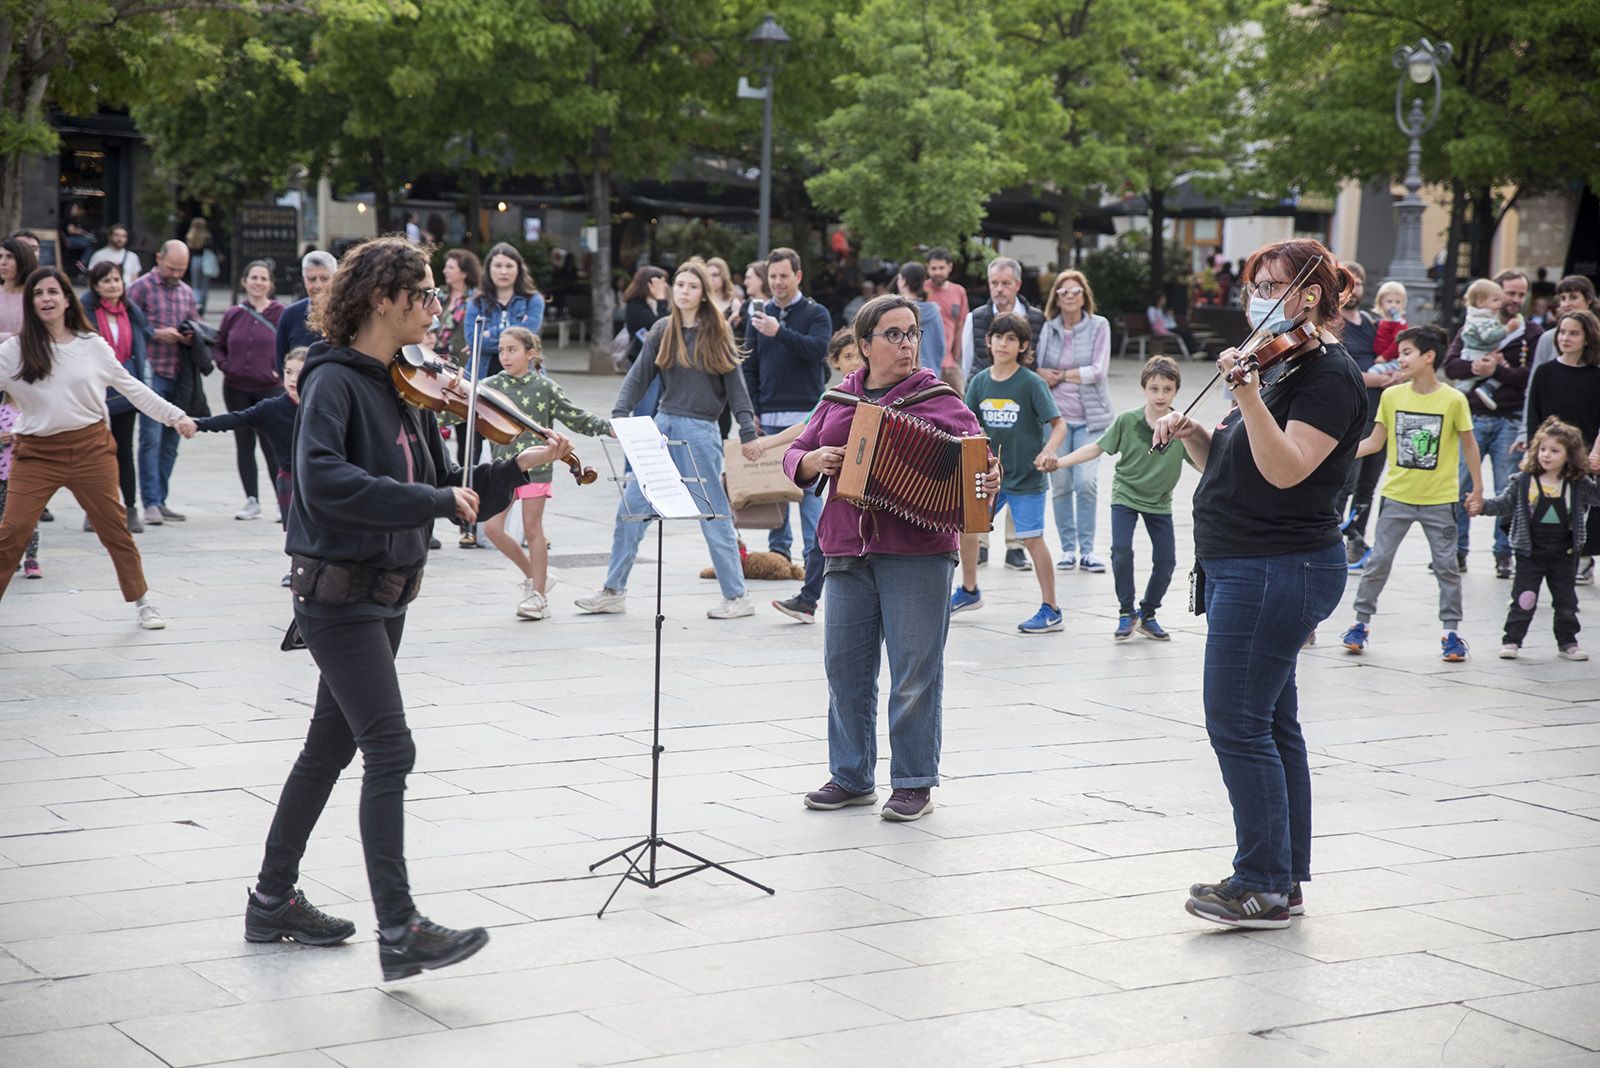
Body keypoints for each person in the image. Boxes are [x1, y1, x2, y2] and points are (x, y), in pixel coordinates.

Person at [247, 235, 570, 981]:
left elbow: (445, 493)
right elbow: (323, 482)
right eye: (425, 294)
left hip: (387, 590)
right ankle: (401, 928)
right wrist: (431, 498)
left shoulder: (406, 385)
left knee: (329, 749)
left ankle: (271, 900)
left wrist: (514, 467)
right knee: (390, 748)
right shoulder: (333, 381)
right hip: (338, 592)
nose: (436, 307)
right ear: (384, 300)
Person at [1152, 239, 1367, 929]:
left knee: (1237, 724)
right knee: (1273, 724)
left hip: (1279, 568)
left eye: (1273, 286)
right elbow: (1239, 462)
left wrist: (1244, 390)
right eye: (1257, 285)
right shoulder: (1282, 364)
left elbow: (1287, 469)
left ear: (1309, 296)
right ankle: (1284, 877)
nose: (1260, 299)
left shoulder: (1328, 375)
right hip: (1252, 562)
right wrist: (1193, 435)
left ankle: (1261, 883)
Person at [785, 295, 1000, 822]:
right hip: (846, 549)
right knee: (845, 669)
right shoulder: (838, 398)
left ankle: (913, 782)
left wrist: (988, 478)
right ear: (864, 345)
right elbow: (796, 453)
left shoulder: (941, 400)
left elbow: (980, 460)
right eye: (894, 335)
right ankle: (852, 776)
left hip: (918, 554)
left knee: (914, 671)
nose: (906, 344)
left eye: (911, 334)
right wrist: (810, 460)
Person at [0, 267, 197, 623]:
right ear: (30, 303)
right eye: (38, 294)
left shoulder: (90, 345)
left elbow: (132, 387)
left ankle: (142, 602)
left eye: (52, 292)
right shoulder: (13, 350)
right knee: (12, 531)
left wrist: (175, 416)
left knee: (114, 528)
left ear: (66, 299)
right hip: (35, 453)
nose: (46, 299)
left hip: (90, 448)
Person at [576, 261, 757, 619]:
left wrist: (748, 431)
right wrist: (620, 412)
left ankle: (737, 597)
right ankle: (613, 591)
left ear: (703, 293)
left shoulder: (716, 332)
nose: (684, 291)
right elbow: (639, 374)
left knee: (713, 512)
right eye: (680, 285)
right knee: (631, 509)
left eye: (692, 286)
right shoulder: (663, 329)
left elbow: (737, 388)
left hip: (700, 431)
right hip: (660, 427)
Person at [1338, 325, 1482, 662]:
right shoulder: (1392, 396)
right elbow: (1375, 442)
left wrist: (1477, 487)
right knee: (1378, 563)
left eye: (1406, 353)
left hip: (1440, 500)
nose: (1398, 358)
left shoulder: (1453, 400)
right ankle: (1360, 624)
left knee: (1446, 566)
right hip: (1397, 496)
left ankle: (1451, 632)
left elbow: (1470, 446)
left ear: (1428, 357)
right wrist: (1338, 452)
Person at [471, 327, 611, 620]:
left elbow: (574, 415)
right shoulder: (490, 385)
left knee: (532, 529)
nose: (505, 356)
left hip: (538, 468)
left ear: (530, 354)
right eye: (501, 350)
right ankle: (535, 576)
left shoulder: (544, 387)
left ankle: (539, 597)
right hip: (504, 469)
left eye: (512, 350)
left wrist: (606, 426)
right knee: (492, 528)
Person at [1047, 356, 1190, 641]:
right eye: (1154, 388)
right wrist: (1060, 462)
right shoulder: (1127, 421)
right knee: (1121, 551)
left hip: (1160, 501)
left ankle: (1148, 614)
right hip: (1125, 495)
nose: (1160, 395)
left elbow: (1205, 460)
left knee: (1167, 560)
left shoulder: (1182, 425)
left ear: (1176, 391)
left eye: (1167, 389)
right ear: (1143, 389)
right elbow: (1096, 448)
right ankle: (1127, 612)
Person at [950, 312, 1066, 633]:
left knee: (1031, 539)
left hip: (1026, 478)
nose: (1003, 343)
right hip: (988, 477)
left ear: (1023, 345)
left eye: (1011, 338)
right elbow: (966, 424)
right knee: (967, 529)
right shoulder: (980, 381)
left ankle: (1051, 608)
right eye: (998, 337)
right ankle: (969, 591)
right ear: (988, 341)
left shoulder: (1031, 383)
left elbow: (1059, 425)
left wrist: (1048, 450)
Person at [1470, 417, 1598, 661]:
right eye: (1543, 449)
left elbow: (1598, 497)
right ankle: (1512, 640)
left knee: (1566, 601)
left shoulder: (1578, 484)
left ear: (1570, 455)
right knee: (1524, 598)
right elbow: (1503, 504)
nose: (1546, 455)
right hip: (1530, 552)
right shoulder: (1523, 481)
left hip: (1564, 553)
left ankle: (1568, 642)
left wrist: (1597, 473)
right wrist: (1481, 506)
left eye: (1554, 450)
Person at [1445, 268, 1540, 577]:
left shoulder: (1530, 333)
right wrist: (1477, 366)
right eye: (1508, 293)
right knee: (1461, 485)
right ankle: (1457, 552)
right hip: (1471, 418)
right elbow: (1452, 366)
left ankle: (1503, 553)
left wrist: (1494, 372)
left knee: (1507, 488)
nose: (1514, 300)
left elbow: (1528, 377)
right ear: (1494, 296)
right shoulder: (1473, 325)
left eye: (1520, 294)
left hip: (1509, 420)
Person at [764, 328, 863, 623]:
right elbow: (805, 430)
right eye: (848, 356)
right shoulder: (833, 396)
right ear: (836, 362)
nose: (856, 362)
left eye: (859, 354)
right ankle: (808, 600)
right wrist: (765, 444)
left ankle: (810, 600)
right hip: (840, 483)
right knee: (823, 537)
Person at [742, 247, 833, 565]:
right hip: (768, 411)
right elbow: (748, 365)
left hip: (806, 413)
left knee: (808, 487)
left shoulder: (815, 312)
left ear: (798, 276)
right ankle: (779, 551)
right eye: (773, 276)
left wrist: (779, 332)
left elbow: (818, 349)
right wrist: (750, 408)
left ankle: (815, 553)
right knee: (774, 485)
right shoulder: (757, 315)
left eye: (784, 276)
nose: (778, 282)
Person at [192, 349, 306, 585]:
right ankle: (297, 567)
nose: (293, 379)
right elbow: (235, 419)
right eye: (288, 372)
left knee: (319, 527)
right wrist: (197, 424)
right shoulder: (271, 408)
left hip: (319, 476)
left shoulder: (323, 404)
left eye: (300, 373)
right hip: (290, 477)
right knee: (295, 528)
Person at [1035, 268, 1112, 574]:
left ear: (1084, 296)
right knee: (1061, 483)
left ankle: (1089, 550)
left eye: (1075, 291)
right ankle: (1068, 549)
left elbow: (1098, 370)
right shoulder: (1048, 328)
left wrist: (1062, 375)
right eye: (1063, 291)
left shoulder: (1099, 326)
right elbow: (1039, 367)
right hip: (1057, 421)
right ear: (1056, 297)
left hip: (1091, 419)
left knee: (1087, 482)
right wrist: (1043, 374)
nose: (1069, 296)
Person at [1523, 309, 1600, 585]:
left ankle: (1578, 558)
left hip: (1583, 456)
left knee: (1580, 508)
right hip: (1548, 455)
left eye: (1574, 333)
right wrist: (1534, 451)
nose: (1566, 338)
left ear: (1587, 338)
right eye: (1562, 332)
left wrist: (1595, 452)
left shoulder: (1595, 376)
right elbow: (1534, 413)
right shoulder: (1545, 372)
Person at [127, 240, 198, 527]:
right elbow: (129, 327)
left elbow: (195, 321)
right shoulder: (140, 287)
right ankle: (151, 502)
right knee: (151, 439)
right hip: (149, 372)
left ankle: (162, 498)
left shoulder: (186, 291)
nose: (176, 274)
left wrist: (191, 334)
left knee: (172, 440)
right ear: (158, 258)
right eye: (172, 268)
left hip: (178, 373)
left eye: (182, 270)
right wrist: (156, 333)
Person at [80, 262, 153, 533]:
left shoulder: (131, 312)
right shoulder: (86, 314)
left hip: (124, 391)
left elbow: (142, 343)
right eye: (106, 281)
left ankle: (131, 508)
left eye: (116, 280)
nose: (113, 285)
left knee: (124, 451)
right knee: (95, 453)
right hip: (94, 393)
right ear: (96, 286)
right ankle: (94, 510)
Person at [214, 261, 287, 521]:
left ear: (270, 284)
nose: (258, 282)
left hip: (269, 388)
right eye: (253, 277)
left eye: (263, 278)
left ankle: (283, 502)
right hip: (235, 388)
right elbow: (218, 345)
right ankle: (252, 500)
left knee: (272, 446)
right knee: (244, 444)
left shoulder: (280, 313)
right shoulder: (233, 313)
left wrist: (280, 372)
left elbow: (289, 348)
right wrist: (226, 366)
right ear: (244, 281)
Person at [1331, 262, 1391, 570]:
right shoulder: (1334, 326)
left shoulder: (1373, 322)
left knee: (1369, 482)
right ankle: (1333, 538)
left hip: (1380, 413)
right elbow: (1345, 369)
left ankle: (1356, 538)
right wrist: (1379, 379)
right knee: (1347, 481)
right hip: (1352, 414)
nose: (1353, 290)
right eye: (1346, 284)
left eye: (1359, 283)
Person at [462, 242, 545, 380]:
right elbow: (473, 341)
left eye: (509, 266)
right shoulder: (476, 301)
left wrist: (490, 333)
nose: (504, 272)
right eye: (498, 266)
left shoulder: (534, 300)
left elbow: (527, 338)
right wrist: (515, 338)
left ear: (519, 269)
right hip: (481, 378)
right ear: (488, 269)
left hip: (524, 380)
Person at [0, 394, 43, 576]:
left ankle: (31, 559)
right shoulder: (1, 411)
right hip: (3, 475)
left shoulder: (34, 412)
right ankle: (9, 557)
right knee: (5, 519)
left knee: (29, 519)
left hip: (29, 474)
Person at [620, 266, 670, 416]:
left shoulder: (653, 304)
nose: (666, 286)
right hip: (643, 362)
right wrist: (661, 300)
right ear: (649, 284)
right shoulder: (636, 305)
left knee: (656, 409)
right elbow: (661, 328)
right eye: (662, 282)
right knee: (645, 409)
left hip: (659, 362)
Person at [275, 251, 336, 373]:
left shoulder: (349, 313)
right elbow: (281, 362)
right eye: (312, 279)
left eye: (324, 279)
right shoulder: (290, 314)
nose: (318, 285)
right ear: (304, 280)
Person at [925, 247, 969, 394]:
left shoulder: (959, 291)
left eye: (941, 267)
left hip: (950, 362)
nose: (937, 272)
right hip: (926, 362)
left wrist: (956, 356)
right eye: (933, 268)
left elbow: (960, 325)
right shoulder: (922, 289)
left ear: (950, 267)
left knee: (957, 400)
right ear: (928, 269)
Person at [893, 262, 946, 376]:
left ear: (902, 281)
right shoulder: (934, 310)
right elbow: (941, 346)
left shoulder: (896, 312)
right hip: (931, 376)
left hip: (904, 376)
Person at [435, 248, 481, 361]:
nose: (445, 271)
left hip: (461, 361)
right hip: (435, 358)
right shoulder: (439, 295)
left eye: (450, 267)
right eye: (446, 267)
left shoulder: (476, 300)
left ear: (464, 273)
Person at [0, 237, 38, 343]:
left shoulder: (36, 295)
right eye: (0, 257)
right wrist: (13, 336)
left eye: (10, 257)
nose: (3, 262)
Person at [1371, 281, 1407, 365]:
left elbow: (1397, 341)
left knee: (1373, 372)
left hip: (1392, 359)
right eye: (1389, 301)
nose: (1393, 305)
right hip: (1378, 356)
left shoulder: (1399, 322)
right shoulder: (1382, 320)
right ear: (1381, 303)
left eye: (1398, 302)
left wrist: (1385, 356)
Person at [185, 217, 214, 315]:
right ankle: (203, 306)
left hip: (195, 260)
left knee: (195, 284)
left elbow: (188, 249)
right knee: (204, 285)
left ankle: (197, 303)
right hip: (205, 260)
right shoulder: (207, 236)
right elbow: (212, 247)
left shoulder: (190, 236)